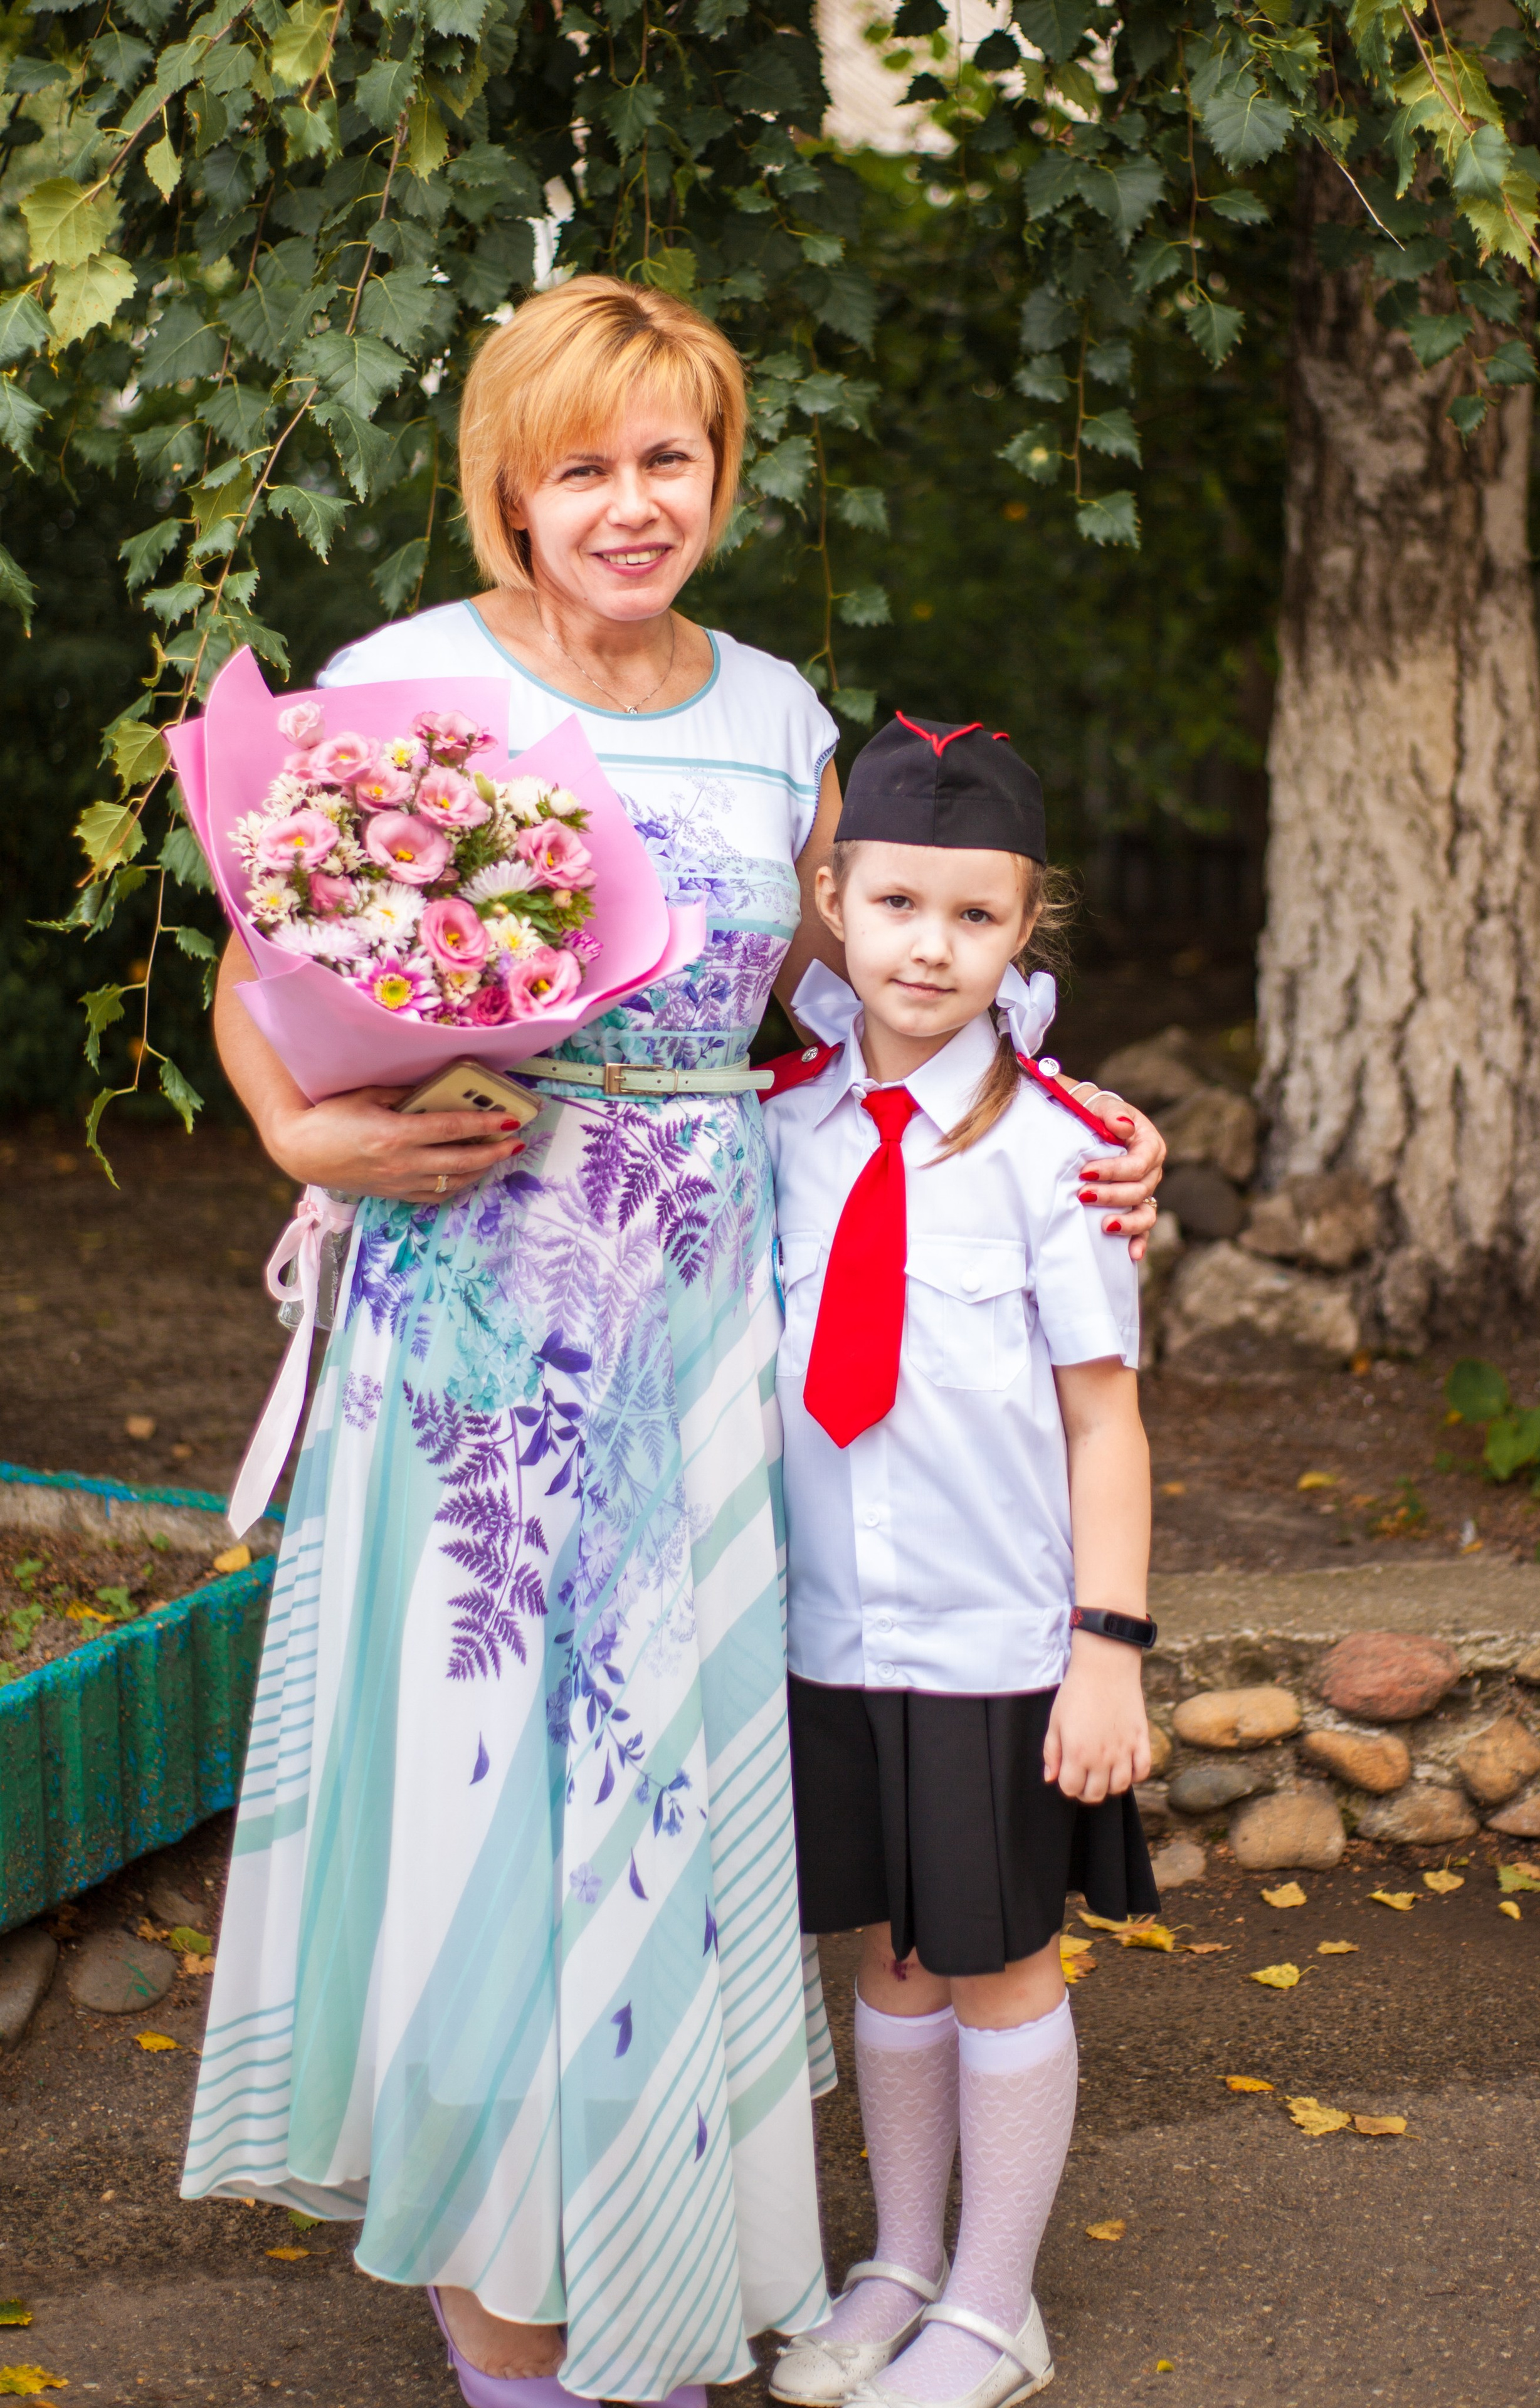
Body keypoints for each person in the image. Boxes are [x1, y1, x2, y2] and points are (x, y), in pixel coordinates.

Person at [181, 278, 1166, 2408]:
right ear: (510, 487)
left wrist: (1083, 1114)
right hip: (472, 1323)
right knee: (482, 1799)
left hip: (713, 1318)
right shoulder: (400, 682)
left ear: (717, 471)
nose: (632, 505)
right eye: (583, 467)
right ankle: (505, 2316)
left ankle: (660, 2258)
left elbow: (884, 987)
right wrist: (302, 1127)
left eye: (672, 459)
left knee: (661, 1804)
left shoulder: (783, 709)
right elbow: (268, 978)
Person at [763, 715, 1159, 2408]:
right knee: (890, 1952)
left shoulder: (1063, 1151)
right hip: (830, 1625)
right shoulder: (778, 1122)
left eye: (976, 915)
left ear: (1024, 931)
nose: (931, 944)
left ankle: (997, 2306)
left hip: (1002, 1639)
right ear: (833, 906)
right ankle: (901, 2265)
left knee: (997, 1958)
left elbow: (1106, 1423)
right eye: (898, 902)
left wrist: (1110, 1645)